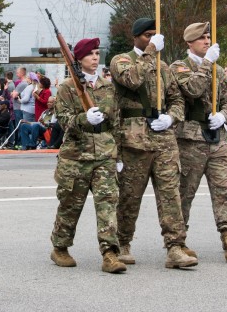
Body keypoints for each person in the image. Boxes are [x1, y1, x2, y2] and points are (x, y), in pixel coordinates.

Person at [110, 18, 196, 269]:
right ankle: (122, 243)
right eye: (147, 35)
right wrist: (149, 53)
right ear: (136, 37)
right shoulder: (121, 60)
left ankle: (175, 247)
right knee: (130, 196)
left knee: (171, 195)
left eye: (154, 36)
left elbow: (177, 100)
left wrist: (171, 117)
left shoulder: (164, 67)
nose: (152, 40)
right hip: (134, 140)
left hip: (164, 141)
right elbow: (132, 80)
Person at [170, 22, 227, 263]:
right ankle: (179, 242)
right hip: (190, 140)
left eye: (208, 37)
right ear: (190, 43)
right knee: (184, 192)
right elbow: (193, 90)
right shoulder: (179, 67)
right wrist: (208, 64)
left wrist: (223, 116)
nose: (207, 41)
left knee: (224, 191)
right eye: (202, 38)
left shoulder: (217, 70)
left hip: (217, 138)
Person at [50, 37, 126, 274]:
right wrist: (83, 119)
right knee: (71, 204)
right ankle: (60, 247)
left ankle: (110, 254)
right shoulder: (66, 88)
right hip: (76, 156)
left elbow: (117, 123)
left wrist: (119, 155)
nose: (95, 57)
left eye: (97, 53)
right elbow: (63, 121)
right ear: (79, 59)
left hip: (105, 153)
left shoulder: (108, 86)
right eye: (90, 54)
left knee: (108, 205)